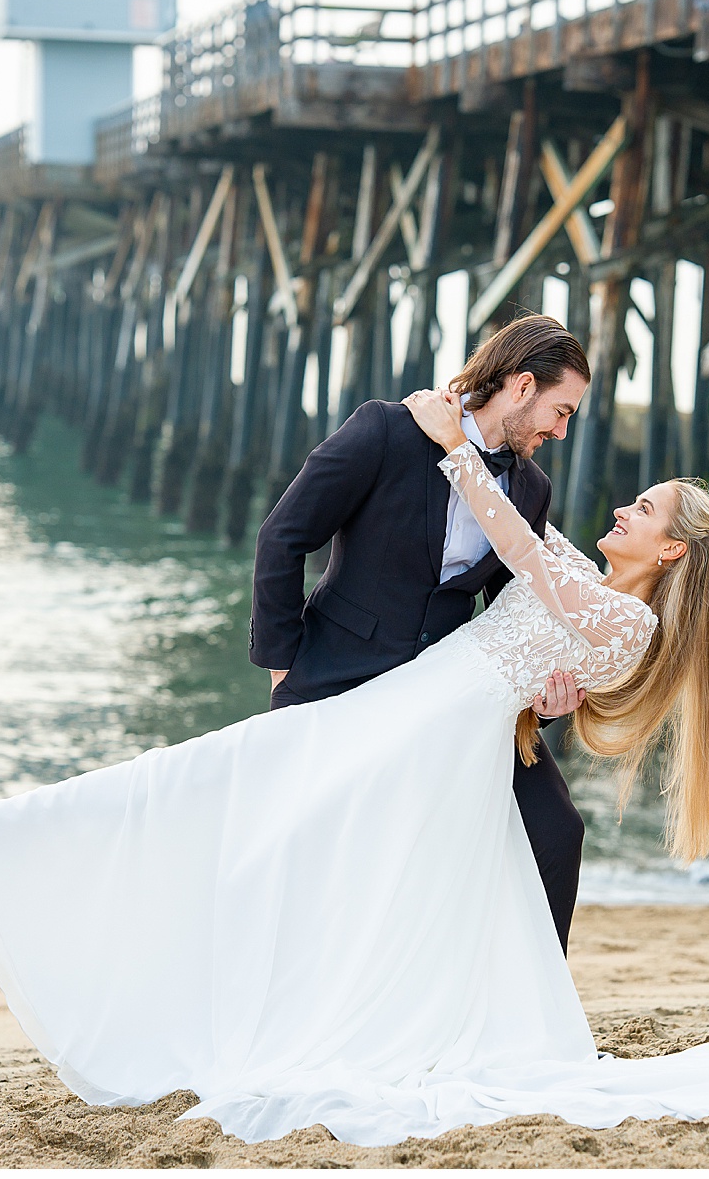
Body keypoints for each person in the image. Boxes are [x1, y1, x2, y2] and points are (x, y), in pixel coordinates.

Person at [0, 373, 709, 1147]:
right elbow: (517, 603)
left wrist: (455, 447)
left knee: (272, 791)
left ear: (668, 551)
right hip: (423, 704)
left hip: (444, 725)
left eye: (645, 512)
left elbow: (524, 562)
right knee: (245, 775)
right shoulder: (590, 579)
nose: (624, 507)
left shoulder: (623, 620)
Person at [250, 315, 593, 951]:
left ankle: (531, 1013)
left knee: (554, 827)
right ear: (521, 387)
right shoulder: (385, 431)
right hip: (337, 676)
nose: (561, 430)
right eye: (561, 411)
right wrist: (281, 664)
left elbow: (516, 614)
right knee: (323, 856)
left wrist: (541, 701)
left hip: (449, 694)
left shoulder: (533, 489)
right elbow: (284, 536)